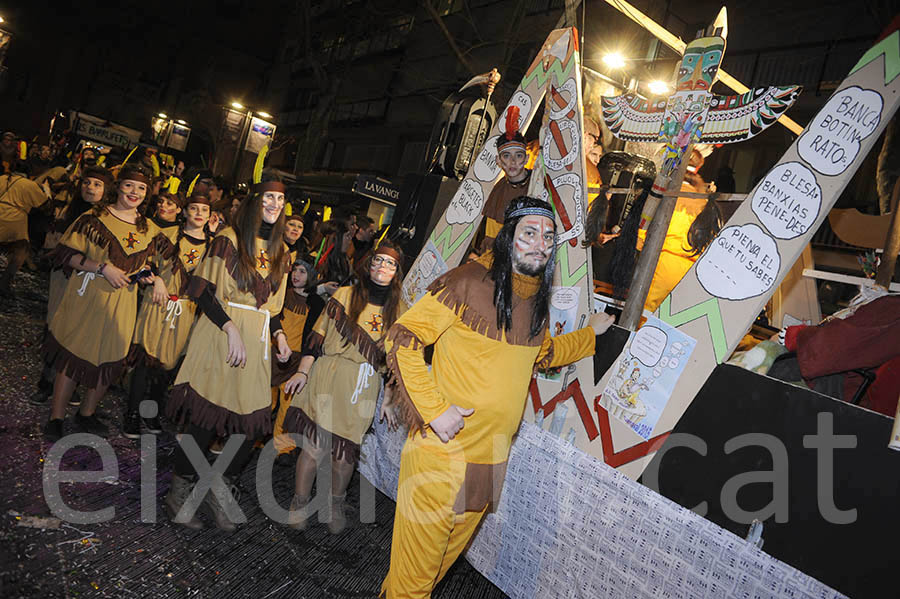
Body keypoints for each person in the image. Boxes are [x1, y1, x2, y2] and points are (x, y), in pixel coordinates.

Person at [379, 196, 614, 597]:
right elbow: (402, 339)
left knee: (430, 572)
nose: (540, 243)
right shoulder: (466, 282)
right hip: (440, 454)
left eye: (547, 236)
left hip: (489, 461)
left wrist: (591, 335)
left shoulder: (535, 307)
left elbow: (546, 354)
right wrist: (435, 412)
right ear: (508, 238)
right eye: (529, 233)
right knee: (414, 581)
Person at [164, 177, 292, 531]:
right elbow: (203, 291)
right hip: (222, 332)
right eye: (269, 197)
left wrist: (279, 334)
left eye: (280, 200)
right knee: (207, 418)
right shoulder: (229, 239)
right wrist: (230, 327)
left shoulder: (282, 250)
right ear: (256, 200)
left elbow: (273, 308)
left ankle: (218, 488)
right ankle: (178, 492)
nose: (274, 204)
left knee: (249, 424)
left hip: (257, 340)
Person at [282, 241, 405, 533]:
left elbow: (397, 360)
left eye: (390, 263)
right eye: (378, 260)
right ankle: (299, 502)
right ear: (369, 264)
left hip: (362, 385)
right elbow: (317, 335)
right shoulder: (346, 295)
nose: (382, 267)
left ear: (397, 271)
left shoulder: (399, 309)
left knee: (344, 452)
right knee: (313, 446)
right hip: (329, 374)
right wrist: (302, 371)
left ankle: (334, 503)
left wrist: (388, 399)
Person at [42, 165, 168, 440]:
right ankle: (56, 417)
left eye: (141, 188)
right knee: (74, 356)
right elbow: (67, 255)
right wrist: (102, 268)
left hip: (123, 302)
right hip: (88, 296)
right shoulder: (95, 216)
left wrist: (154, 279)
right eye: (129, 186)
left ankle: (86, 413)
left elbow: (151, 265)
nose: (134, 192)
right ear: (119, 187)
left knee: (110, 359)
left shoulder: (148, 228)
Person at [124, 190, 211, 438]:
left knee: (167, 367)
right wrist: (156, 281)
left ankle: (150, 413)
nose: (198, 214)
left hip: (186, 311)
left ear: (210, 216)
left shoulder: (214, 246)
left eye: (204, 210)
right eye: (193, 209)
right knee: (145, 361)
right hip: (158, 303)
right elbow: (143, 264)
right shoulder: (168, 236)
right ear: (184, 212)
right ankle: (131, 414)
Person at [30, 165, 114, 406]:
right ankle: (46, 382)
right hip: (65, 278)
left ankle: (68, 382)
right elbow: (54, 244)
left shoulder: (108, 216)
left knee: (78, 333)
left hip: (91, 284)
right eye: (87, 183)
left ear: (106, 190)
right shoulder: (70, 210)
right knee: (57, 327)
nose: (90, 188)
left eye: (97, 184)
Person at [269, 256, 318, 456]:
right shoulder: (281, 294)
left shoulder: (316, 304)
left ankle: (283, 448)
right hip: (272, 354)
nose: (296, 275)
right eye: (295, 270)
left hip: (296, 361)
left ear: (312, 276)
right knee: (265, 402)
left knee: (287, 407)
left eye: (302, 271)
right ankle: (250, 436)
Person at [478, 107, 531, 253]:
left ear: (526, 158)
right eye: (506, 156)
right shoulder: (499, 190)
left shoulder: (537, 185)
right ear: (498, 161)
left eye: (518, 155)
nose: (513, 161)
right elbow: (491, 239)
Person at [0, 161, 50, 295]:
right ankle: (4, 284)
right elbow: (45, 206)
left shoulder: (2, 178)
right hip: (14, 219)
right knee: (21, 250)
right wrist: (47, 192)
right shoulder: (29, 185)